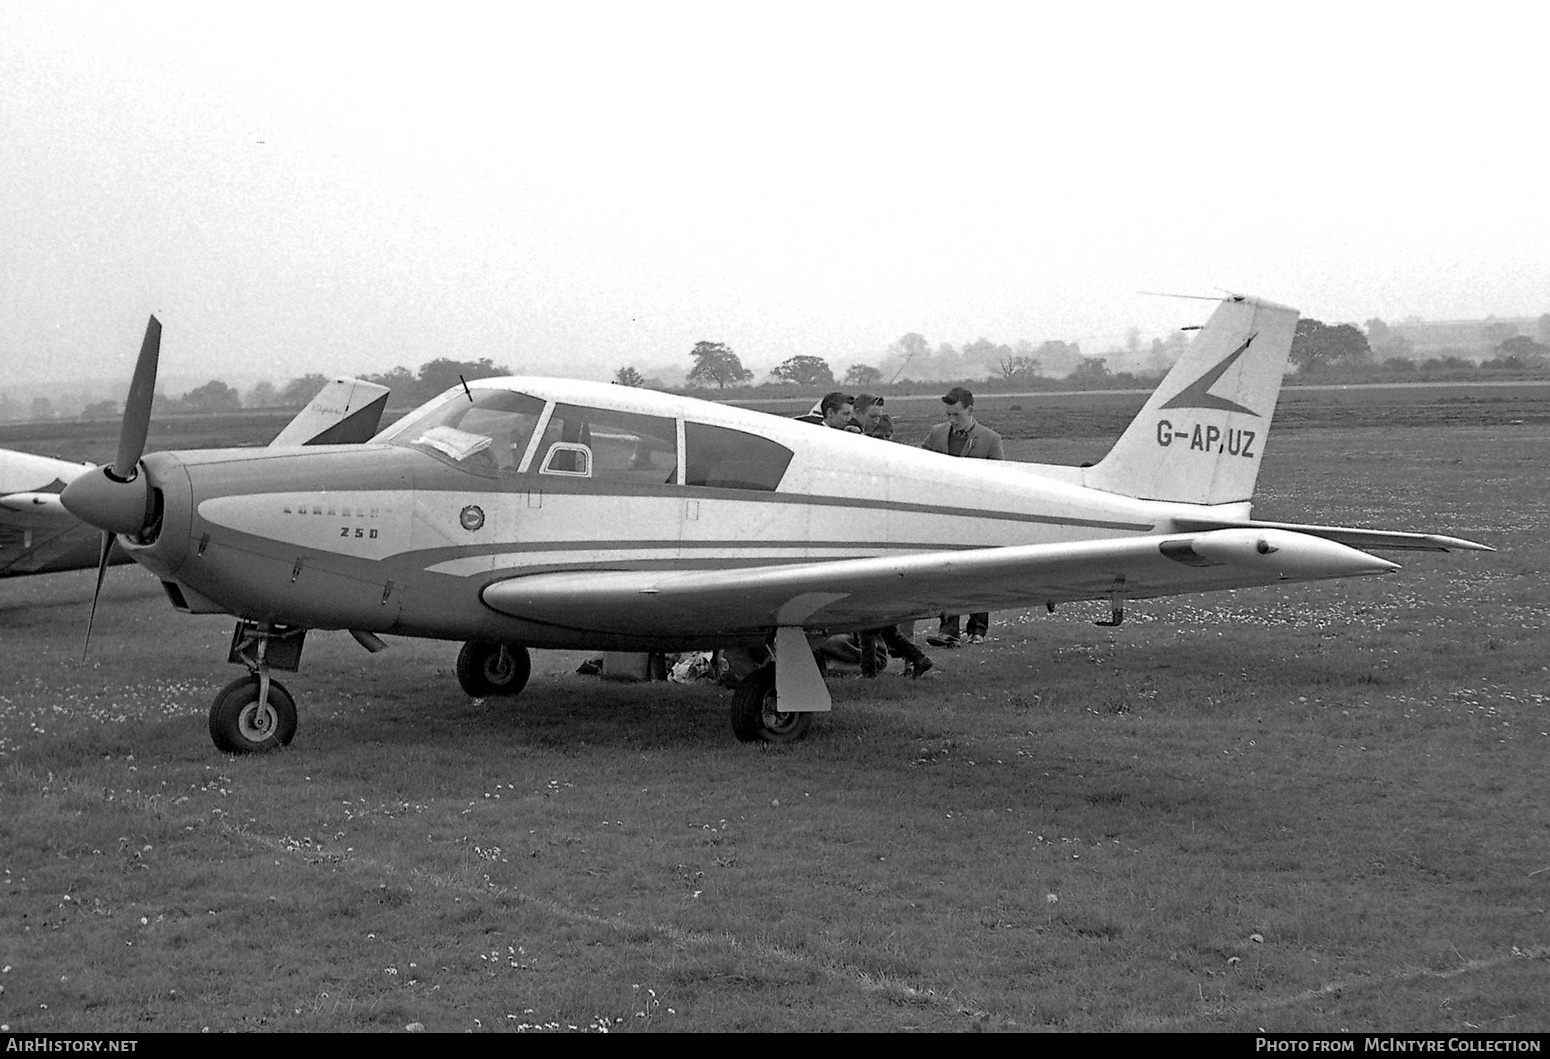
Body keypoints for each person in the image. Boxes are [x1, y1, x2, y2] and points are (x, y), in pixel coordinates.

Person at [921, 385, 1003, 646]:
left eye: (956, 415)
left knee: (979, 571)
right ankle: (948, 629)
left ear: (970, 410)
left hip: (977, 516)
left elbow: (1000, 482)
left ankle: (978, 628)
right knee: (947, 571)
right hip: (944, 517)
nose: (952, 420)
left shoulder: (990, 439)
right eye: (948, 415)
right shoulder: (936, 434)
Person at [795, 391, 860, 431]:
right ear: (830, 413)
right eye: (845, 414)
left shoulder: (849, 433)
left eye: (851, 414)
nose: (849, 419)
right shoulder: (816, 435)